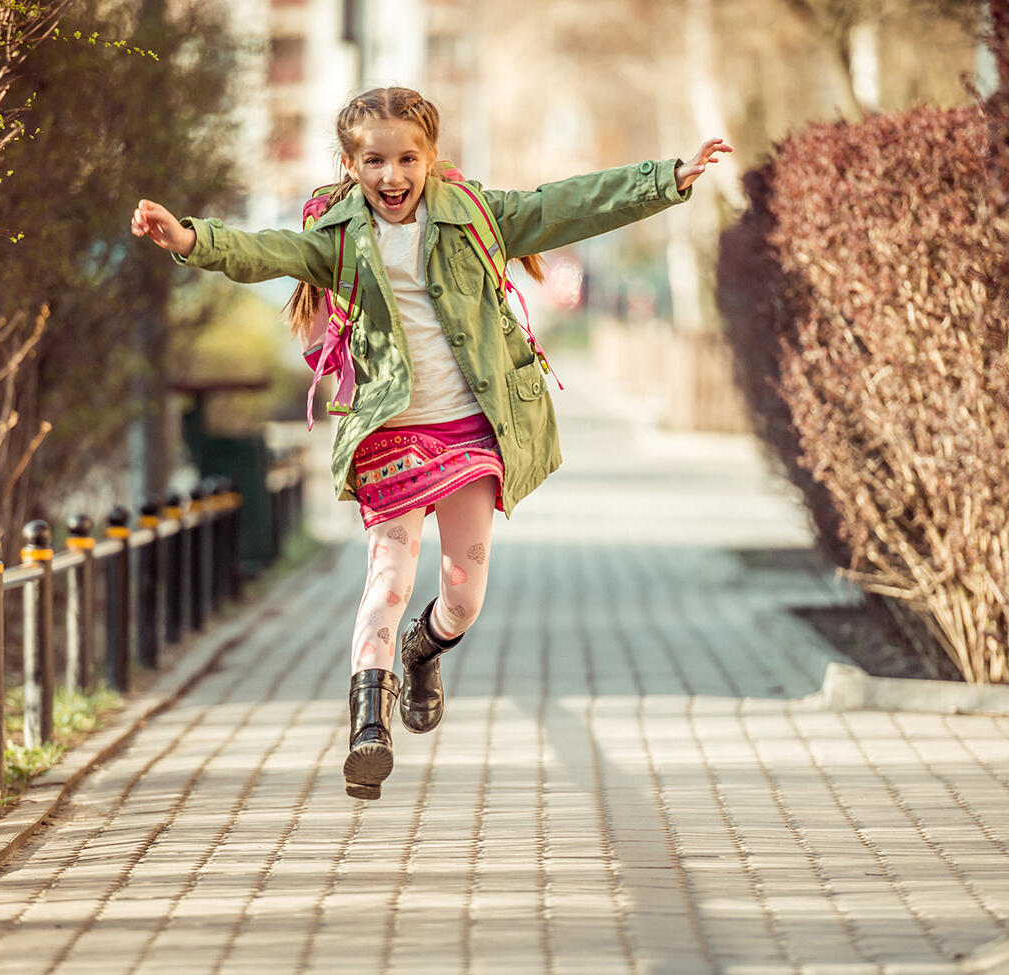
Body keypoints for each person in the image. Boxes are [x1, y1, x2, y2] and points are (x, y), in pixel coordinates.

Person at [131, 86, 730, 800]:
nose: (392, 176)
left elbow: (566, 204)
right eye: (375, 160)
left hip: (472, 427)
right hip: (390, 430)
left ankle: (423, 650)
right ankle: (367, 730)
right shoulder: (338, 237)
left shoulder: (476, 215)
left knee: (463, 595)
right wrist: (193, 239)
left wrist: (664, 180)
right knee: (387, 577)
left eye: (407, 158)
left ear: (431, 157)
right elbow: (265, 251)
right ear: (351, 166)